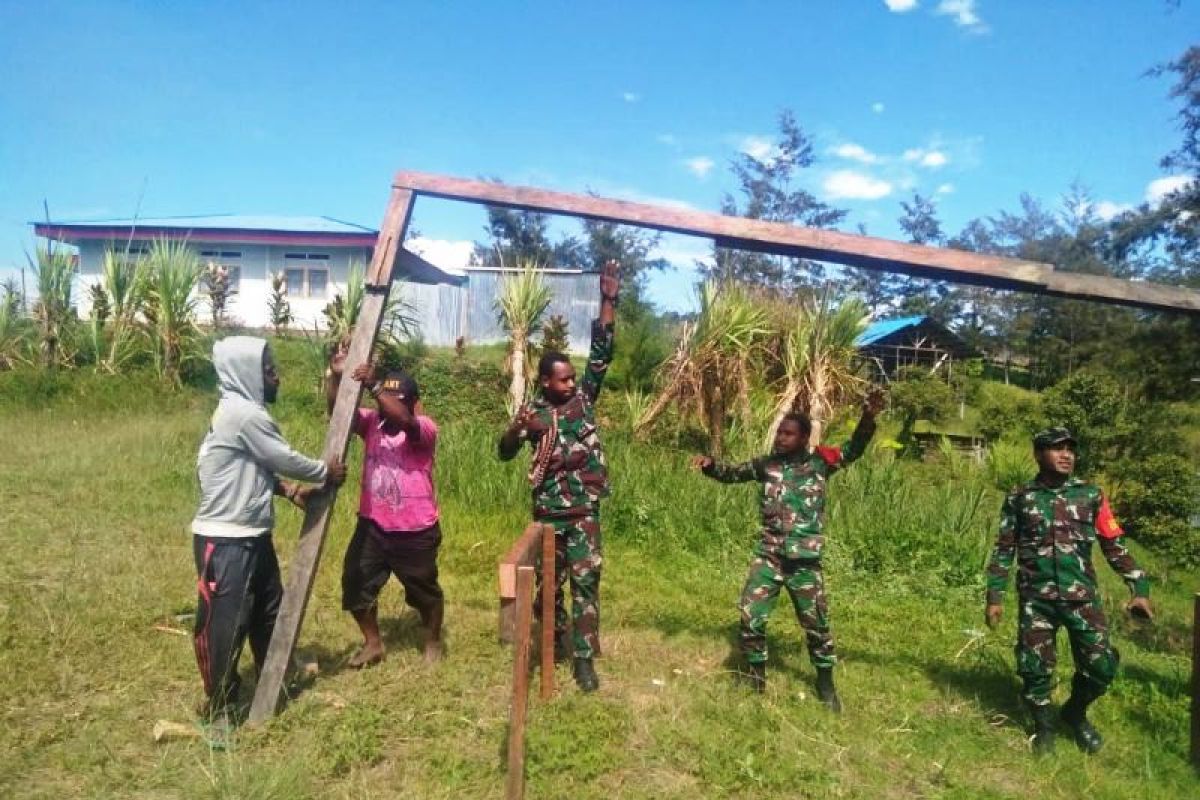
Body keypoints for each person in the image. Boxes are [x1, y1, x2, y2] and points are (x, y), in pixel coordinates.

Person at [691, 390, 885, 709]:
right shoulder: (767, 465)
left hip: (805, 563)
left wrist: (868, 419)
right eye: (779, 432)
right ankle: (756, 678)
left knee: (817, 626)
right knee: (750, 617)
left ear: (804, 437)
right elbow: (733, 473)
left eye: (788, 434)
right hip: (770, 557)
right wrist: (711, 466)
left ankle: (825, 682)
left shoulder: (821, 462)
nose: (780, 438)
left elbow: (854, 449)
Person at [191, 336, 346, 733]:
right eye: (267, 369)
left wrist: (289, 491)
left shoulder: (239, 412)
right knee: (226, 623)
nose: (276, 376)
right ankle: (221, 707)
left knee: (267, 611)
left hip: (251, 535)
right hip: (226, 541)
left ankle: (271, 676)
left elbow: (254, 468)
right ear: (246, 374)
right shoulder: (244, 416)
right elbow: (281, 457)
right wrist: (324, 471)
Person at [985, 426, 1152, 755]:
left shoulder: (1091, 495)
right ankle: (1043, 726)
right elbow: (1004, 550)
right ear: (1037, 454)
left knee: (1102, 665)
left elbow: (1114, 545)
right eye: (1057, 449)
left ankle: (1074, 713)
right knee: (1034, 669)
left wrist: (1139, 587)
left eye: (1070, 449)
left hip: (1082, 600)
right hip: (1037, 601)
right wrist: (995, 597)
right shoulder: (1020, 497)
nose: (1066, 455)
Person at [497, 259, 620, 692]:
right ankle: (557, 642)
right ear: (546, 382)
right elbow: (504, 453)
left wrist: (609, 300)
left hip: (583, 511)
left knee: (586, 583)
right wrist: (516, 430)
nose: (571, 384)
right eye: (563, 380)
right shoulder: (533, 414)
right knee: (549, 589)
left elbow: (602, 354)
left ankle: (585, 661)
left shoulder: (583, 402)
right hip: (548, 514)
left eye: (572, 378)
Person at [327, 354, 444, 667]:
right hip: (373, 527)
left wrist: (376, 386)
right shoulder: (372, 424)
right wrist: (337, 376)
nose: (387, 405)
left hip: (415, 530)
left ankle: (432, 639)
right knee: (355, 581)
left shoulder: (425, 427)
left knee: (424, 592)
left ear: (414, 403)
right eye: (384, 401)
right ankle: (373, 643)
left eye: (397, 400)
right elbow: (338, 415)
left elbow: (406, 421)